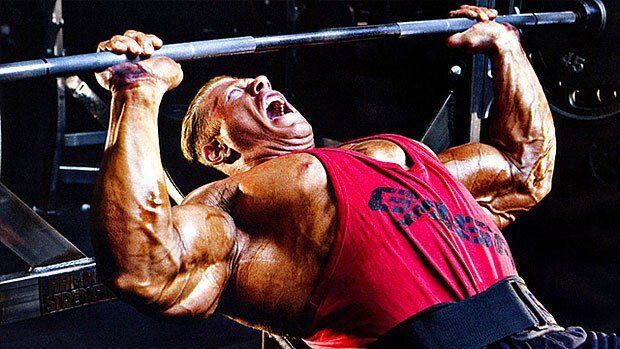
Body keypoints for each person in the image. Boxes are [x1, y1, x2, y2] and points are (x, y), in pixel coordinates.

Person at [90, 5, 616, 349]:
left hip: (552, 336)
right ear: (215, 147)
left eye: (258, 79)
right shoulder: (236, 202)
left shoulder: (394, 154)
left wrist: (507, 47)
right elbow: (146, 268)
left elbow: (523, 169)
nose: (259, 80)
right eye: (234, 94)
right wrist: (138, 92)